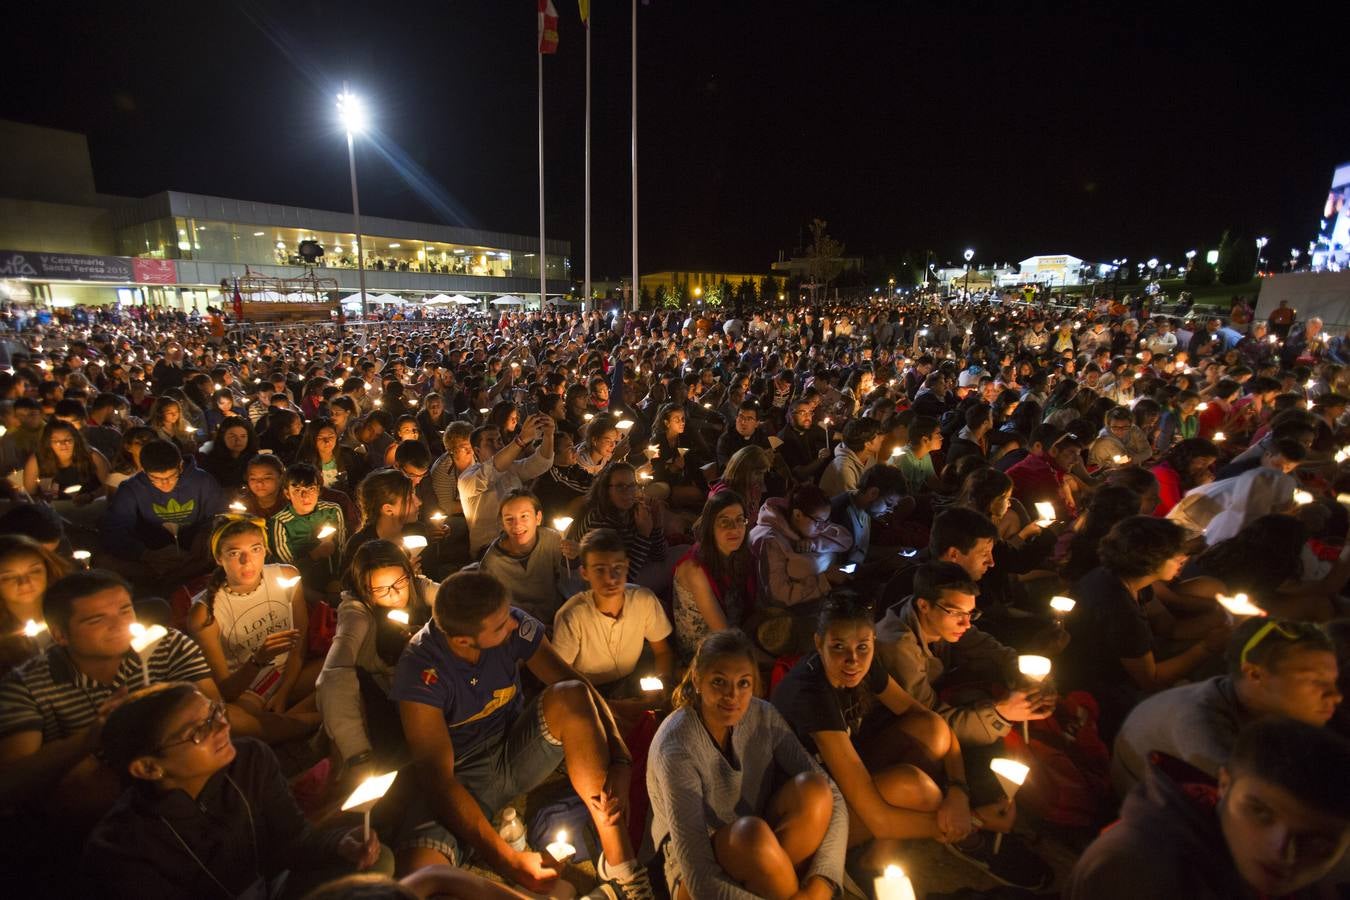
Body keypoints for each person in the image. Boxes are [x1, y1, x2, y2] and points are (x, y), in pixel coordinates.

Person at [389, 570, 651, 897]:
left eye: (508, 615)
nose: (512, 624)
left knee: (569, 694)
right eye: (500, 626)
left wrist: (622, 760)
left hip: (517, 748)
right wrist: (510, 862)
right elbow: (439, 781)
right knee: (416, 877)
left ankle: (622, 868)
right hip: (461, 776)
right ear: (462, 641)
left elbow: (576, 686)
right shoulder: (420, 669)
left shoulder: (512, 623)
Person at [82, 682, 385, 899]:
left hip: (277, 884)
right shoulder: (121, 846)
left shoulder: (250, 759)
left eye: (216, 713)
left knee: (375, 863)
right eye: (199, 730)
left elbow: (293, 839)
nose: (222, 727)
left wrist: (339, 843)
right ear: (149, 768)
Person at [0, 570, 218, 824]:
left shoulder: (167, 645)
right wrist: (89, 739)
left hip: (182, 758)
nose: (119, 625)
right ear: (60, 634)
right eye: (96, 619)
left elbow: (216, 709)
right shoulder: (27, 684)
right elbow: (10, 782)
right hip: (102, 809)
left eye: (125, 610)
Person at [647, 629, 848, 899]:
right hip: (695, 875)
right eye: (719, 682)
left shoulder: (762, 714)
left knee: (815, 789)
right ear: (697, 678)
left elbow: (833, 794)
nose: (733, 695)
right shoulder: (677, 746)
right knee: (751, 835)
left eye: (743, 683)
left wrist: (823, 882)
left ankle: (781, 886)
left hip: (761, 846)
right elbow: (698, 877)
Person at [1068, 719, 1350, 900]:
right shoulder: (1136, 868)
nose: (1283, 852)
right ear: (1224, 784)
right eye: (1260, 812)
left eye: (1317, 840)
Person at [1112, 617, 1341, 796]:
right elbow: (1260, 798)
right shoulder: (1200, 723)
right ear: (1254, 674)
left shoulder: (1258, 707)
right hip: (1153, 812)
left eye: (1332, 682)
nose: (1336, 696)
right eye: (1314, 681)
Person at [1062, 516, 1231, 741]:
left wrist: (1225, 617)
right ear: (1151, 560)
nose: (1184, 558)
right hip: (1102, 690)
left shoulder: (1129, 580)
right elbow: (1150, 680)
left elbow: (1169, 628)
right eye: (1176, 554)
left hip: (1125, 668)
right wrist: (1208, 647)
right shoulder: (1118, 606)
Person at [187, 516, 321, 743]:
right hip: (248, 690)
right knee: (230, 719)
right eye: (234, 553)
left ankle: (283, 721)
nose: (247, 561)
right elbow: (227, 691)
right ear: (219, 558)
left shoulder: (287, 576)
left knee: (341, 669)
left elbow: (300, 641)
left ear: (266, 550)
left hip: (292, 672)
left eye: (255, 549)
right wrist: (258, 659)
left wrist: (283, 692)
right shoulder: (205, 613)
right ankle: (316, 720)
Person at [317, 539, 436, 779]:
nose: (394, 595)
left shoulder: (418, 587)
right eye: (381, 589)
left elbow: (458, 599)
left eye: (399, 582)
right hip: (382, 702)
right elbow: (334, 673)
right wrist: (357, 754)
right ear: (364, 588)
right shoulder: (356, 612)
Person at [552, 528, 674, 724]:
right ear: (584, 572)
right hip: (587, 691)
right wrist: (610, 706)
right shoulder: (572, 615)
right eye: (600, 570)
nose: (611, 578)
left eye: (617, 568)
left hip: (631, 679)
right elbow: (560, 678)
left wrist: (662, 685)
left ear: (627, 566)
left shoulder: (643, 600)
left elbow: (662, 652)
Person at [102, 438, 227, 583]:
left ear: (180, 466)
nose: (165, 484)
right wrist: (145, 553)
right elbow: (114, 528)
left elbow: (220, 516)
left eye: (171, 476)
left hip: (196, 553)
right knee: (105, 562)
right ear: (143, 470)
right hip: (151, 554)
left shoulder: (203, 481)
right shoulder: (131, 488)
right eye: (155, 478)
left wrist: (205, 537)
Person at [458, 414, 554, 556]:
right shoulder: (466, 478)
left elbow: (541, 462)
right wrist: (521, 440)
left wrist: (549, 435)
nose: (497, 445)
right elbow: (491, 472)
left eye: (499, 440)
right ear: (477, 451)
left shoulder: (511, 468)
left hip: (521, 541)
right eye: (490, 442)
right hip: (489, 549)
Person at [476, 489, 577, 624]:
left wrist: (574, 559)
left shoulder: (552, 540)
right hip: (517, 628)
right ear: (502, 523)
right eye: (509, 519)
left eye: (524, 516)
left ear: (538, 518)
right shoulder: (493, 562)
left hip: (556, 620)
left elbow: (571, 586)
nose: (517, 525)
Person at [750, 483, 852, 611]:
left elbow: (846, 541)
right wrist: (825, 580)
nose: (822, 528)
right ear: (797, 514)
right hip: (783, 616)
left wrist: (815, 543)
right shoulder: (770, 541)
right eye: (819, 522)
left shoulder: (806, 527)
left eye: (826, 521)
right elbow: (778, 596)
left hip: (811, 605)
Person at [575, 462, 669, 591]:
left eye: (631, 486)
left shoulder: (633, 510)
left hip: (636, 568)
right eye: (620, 486)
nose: (628, 492)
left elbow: (659, 555)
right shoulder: (600, 522)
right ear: (606, 489)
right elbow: (616, 579)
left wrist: (656, 525)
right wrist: (644, 534)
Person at [270, 462, 347, 595]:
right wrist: (315, 554)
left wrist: (336, 579)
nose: (305, 496)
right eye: (297, 490)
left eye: (310, 489)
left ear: (319, 490)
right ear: (287, 493)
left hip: (336, 582)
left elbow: (341, 549)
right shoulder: (280, 522)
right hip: (302, 588)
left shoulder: (332, 510)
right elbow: (287, 568)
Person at [0, 534, 71, 678]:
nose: (24, 582)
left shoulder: (72, 612)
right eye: (8, 577)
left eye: (34, 571)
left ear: (48, 569)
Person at [341, 470, 421, 574]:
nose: (419, 502)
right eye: (410, 499)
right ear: (388, 509)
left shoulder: (417, 534)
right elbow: (352, 587)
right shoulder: (360, 547)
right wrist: (402, 576)